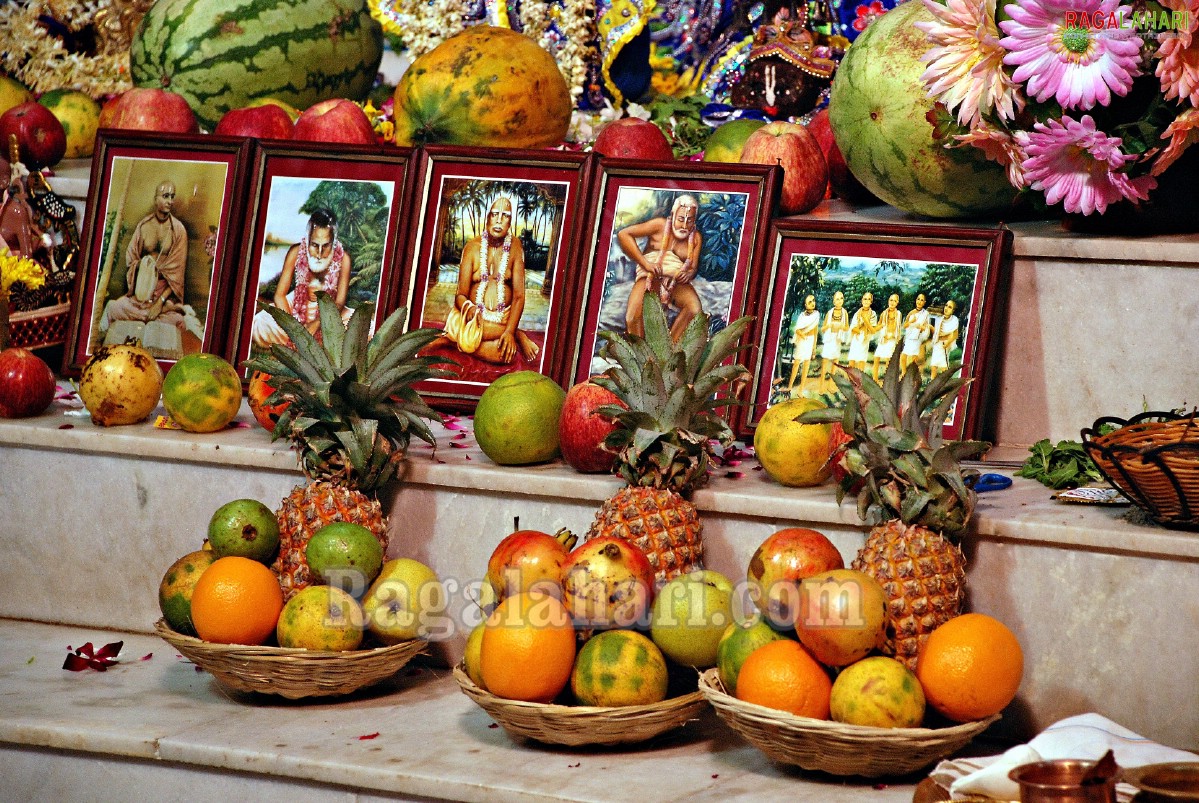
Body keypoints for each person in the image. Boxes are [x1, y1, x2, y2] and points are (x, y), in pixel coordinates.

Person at [437, 196, 539, 364]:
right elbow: (460, 296)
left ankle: (456, 340)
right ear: (488, 218)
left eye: (505, 215)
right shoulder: (472, 248)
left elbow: (519, 296)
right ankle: (517, 333)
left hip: (501, 318)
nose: (499, 220)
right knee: (481, 335)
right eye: (495, 214)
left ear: (510, 222)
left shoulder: (515, 248)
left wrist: (508, 331)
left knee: (502, 355)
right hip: (473, 318)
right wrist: (469, 309)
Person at [251, 208, 352, 349]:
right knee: (261, 323)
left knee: (359, 328)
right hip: (294, 308)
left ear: (333, 242)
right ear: (308, 240)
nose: (319, 253)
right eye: (315, 245)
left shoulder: (344, 259)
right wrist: (294, 328)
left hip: (330, 311)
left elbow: (339, 302)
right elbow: (280, 295)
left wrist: (317, 323)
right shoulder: (296, 252)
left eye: (326, 246)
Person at [616, 193, 704, 342]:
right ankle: (641, 357)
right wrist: (646, 264)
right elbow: (624, 234)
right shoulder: (659, 225)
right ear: (673, 214)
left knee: (694, 309)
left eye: (689, 221)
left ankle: (668, 352)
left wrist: (689, 275)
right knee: (633, 317)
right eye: (681, 219)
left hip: (676, 281)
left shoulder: (695, 238)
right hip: (650, 276)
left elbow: (693, 267)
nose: (684, 226)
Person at [103, 180, 189, 332]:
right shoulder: (144, 226)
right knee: (114, 308)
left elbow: (177, 274)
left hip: (165, 297)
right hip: (141, 295)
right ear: (155, 199)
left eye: (172, 197)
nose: (170, 201)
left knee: (177, 320)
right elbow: (131, 258)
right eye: (165, 196)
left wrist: (160, 302)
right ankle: (143, 316)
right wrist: (144, 267)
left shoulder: (179, 230)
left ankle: (152, 316)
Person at [786, 294, 820, 395]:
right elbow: (797, 330)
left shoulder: (816, 314)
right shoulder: (801, 315)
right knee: (796, 364)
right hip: (801, 341)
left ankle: (800, 390)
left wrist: (814, 348)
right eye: (810, 302)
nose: (813, 303)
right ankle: (789, 387)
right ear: (805, 305)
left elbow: (815, 332)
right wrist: (802, 335)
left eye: (813, 300)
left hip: (810, 341)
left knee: (806, 365)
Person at [818, 290, 849, 394]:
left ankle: (830, 385)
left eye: (841, 298)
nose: (839, 301)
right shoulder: (830, 313)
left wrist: (841, 326)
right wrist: (830, 325)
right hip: (829, 340)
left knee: (835, 364)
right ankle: (822, 386)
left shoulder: (844, 313)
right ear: (833, 301)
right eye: (837, 299)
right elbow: (823, 328)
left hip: (837, 340)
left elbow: (846, 327)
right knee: (825, 363)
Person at [872, 293, 902, 380]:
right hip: (884, 338)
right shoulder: (884, 313)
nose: (892, 302)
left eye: (894, 301)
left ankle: (887, 380)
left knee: (888, 361)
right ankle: (875, 379)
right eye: (891, 300)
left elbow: (898, 329)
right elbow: (879, 326)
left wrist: (891, 336)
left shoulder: (898, 314)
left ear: (897, 303)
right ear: (888, 301)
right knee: (876, 358)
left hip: (892, 338)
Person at [899, 292, 931, 374]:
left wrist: (920, 327)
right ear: (916, 300)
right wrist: (912, 323)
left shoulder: (926, 314)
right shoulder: (911, 312)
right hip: (909, 337)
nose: (919, 301)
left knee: (914, 358)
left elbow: (926, 328)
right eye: (918, 299)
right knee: (903, 356)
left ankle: (911, 375)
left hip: (917, 338)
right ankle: (903, 373)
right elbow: (905, 325)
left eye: (922, 300)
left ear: (924, 302)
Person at [846, 291, 876, 372]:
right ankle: (851, 382)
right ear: (862, 301)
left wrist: (865, 321)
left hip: (865, 340)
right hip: (856, 339)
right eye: (865, 299)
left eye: (868, 299)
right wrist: (860, 329)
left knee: (861, 361)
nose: (866, 301)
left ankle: (859, 383)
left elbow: (873, 330)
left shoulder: (873, 314)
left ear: (871, 302)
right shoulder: (857, 313)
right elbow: (853, 328)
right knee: (852, 361)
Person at [929, 299, 960, 379]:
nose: (946, 308)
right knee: (933, 367)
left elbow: (955, 334)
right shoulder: (940, 319)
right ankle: (932, 386)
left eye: (949, 307)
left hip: (945, 345)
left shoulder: (954, 320)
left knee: (944, 368)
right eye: (946, 305)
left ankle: (944, 387)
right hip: (938, 344)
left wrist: (948, 343)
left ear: (953, 311)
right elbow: (937, 333)